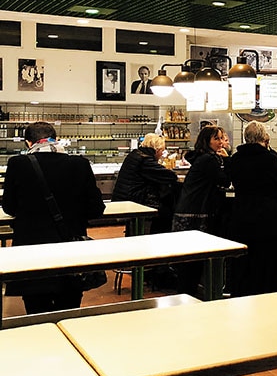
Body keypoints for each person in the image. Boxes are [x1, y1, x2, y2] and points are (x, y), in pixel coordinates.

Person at [2, 121, 105, 314]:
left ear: (28, 143)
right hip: (70, 252)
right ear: (56, 140)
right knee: (68, 311)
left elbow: (9, 206)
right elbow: (96, 209)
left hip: (31, 251)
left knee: (36, 312)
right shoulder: (79, 164)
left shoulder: (18, 164)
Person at [226, 121, 277, 296]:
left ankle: (243, 294)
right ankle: (266, 296)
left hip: (241, 215)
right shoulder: (269, 158)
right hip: (267, 218)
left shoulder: (235, 158)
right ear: (264, 137)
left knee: (244, 261)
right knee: (266, 262)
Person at [172, 125, 231, 297]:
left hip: (187, 212)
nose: (221, 143)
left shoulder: (201, 157)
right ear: (207, 141)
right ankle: (187, 295)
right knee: (193, 260)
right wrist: (227, 160)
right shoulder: (209, 160)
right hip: (195, 215)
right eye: (216, 139)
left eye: (221, 138)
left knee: (189, 260)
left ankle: (187, 293)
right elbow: (225, 181)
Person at [111, 133, 178, 234]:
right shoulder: (145, 160)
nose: (162, 154)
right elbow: (170, 176)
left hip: (125, 198)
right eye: (162, 151)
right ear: (157, 150)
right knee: (166, 213)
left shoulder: (135, 154)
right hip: (136, 200)